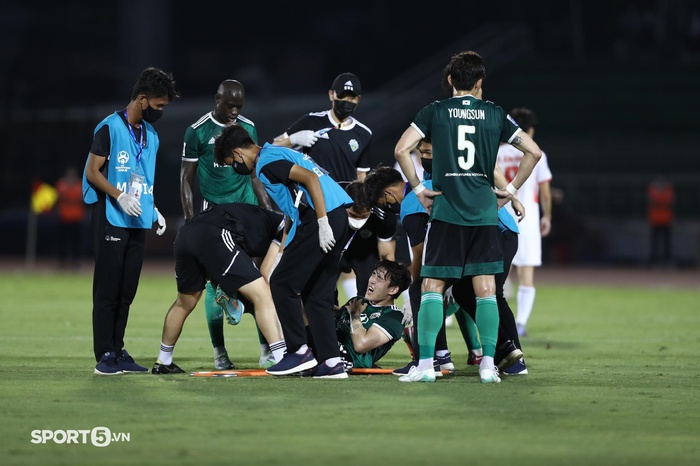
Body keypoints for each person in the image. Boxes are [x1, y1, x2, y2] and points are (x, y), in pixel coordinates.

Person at [393, 50, 542, 383]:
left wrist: (418, 189)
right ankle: (488, 364)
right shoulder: (495, 114)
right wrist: (512, 189)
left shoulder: (435, 111)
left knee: (431, 286)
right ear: (479, 82)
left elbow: (402, 149)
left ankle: (427, 365)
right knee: (486, 289)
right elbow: (534, 152)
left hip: (446, 210)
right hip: (484, 214)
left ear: (449, 81)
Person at [214, 124, 353, 379]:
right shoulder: (278, 153)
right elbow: (294, 209)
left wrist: (322, 222)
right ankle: (332, 362)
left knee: (281, 283)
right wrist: (283, 251)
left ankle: (298, 352)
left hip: (323, 218)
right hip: (337, 216)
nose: (235, 168)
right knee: (316, 295)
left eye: (230, 162)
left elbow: (310, 180)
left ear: (236, 153)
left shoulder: (266, 162)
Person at [82, 67, 179, 375]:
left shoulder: (151, 135)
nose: (160, 111)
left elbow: (144, 179)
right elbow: (92, 172)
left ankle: (119, 349)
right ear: (142, 99)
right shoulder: (109, 128)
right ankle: (105, 355)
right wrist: (119, 195)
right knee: (108, 290)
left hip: (137, 221)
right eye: (159, 105)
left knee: (127, 292)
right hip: (111, 216)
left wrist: (154, 210)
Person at [180, 79, 272, 371]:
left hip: (247, 211)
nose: (234, 111)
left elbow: (255, 172)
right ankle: (220, 353)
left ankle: (266, 349)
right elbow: (185, 178)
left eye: (239, 106)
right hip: (214, 214)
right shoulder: (197, 131)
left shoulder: (248, 127)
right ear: (216, 99)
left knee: (259, 278)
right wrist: (190, 221)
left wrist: (267, 210)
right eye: (230, 105)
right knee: (213, 284)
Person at [151, 203, 287, 374]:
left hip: (186, 234)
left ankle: (163, 360)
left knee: (184, 303)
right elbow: (266, 272)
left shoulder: (264, 220)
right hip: (216, 233)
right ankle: (282, 357)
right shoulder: (286, 227)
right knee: (263, 295)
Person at [497, 107, 552, 337]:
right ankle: (519, 323)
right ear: (528, 130)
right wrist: (547, 216)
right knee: (526, 274)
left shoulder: (497, 152)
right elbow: (545, 190)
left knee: (497, 272)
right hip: (526, 217)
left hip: (499, 214)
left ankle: (498, 321)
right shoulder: (536, 153)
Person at [272, 72, 372, 183]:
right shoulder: (311, 121)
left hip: (346, 197)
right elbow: (273, 146)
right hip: (314, 196)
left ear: (358, 99)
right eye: (341, 96)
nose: (346, 101)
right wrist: (293, 139)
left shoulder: (364, 133)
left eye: (351, 98)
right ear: (331, 94)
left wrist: (361, 199)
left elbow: (361, 174)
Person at [335, 260, 411, 371]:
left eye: (379, 278)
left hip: (346, 359)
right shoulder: (358, 301)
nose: (372, 280)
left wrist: (355, 314)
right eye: (373, 274)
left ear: (393, 289)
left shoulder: (394, 317)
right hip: (330, 346)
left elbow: (361, 345)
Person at [55, 166, 86, 269]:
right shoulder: (61, 184)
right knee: (62, 241)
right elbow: (59, 197)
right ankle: (62, 261)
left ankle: (76, 261)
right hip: (64, 217)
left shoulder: (79, 184)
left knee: (76, 241)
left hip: (77, 217)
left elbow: (81, 198)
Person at [647, 175, 675, 266]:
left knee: (667, 242)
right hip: (655, 219)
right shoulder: (652, 189)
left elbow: (669, 201)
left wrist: (659, 201)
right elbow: (652, 201)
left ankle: (667, 260)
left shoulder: (668, 189)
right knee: (654, 242)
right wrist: (661, 201)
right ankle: (654, 261)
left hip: (666, 219)